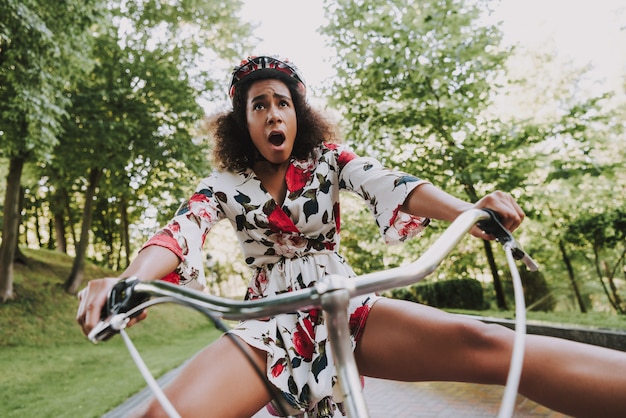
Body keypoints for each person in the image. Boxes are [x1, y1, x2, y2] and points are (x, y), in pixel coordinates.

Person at [77, 55, 626, 418]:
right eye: (259, 104)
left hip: (346, 303)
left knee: (488, 345)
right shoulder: (221, 186)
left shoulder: (330, 161)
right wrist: (128, 283)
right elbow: (178, 233)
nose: (273, 112)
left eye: (283, 102)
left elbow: (394, 185)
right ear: (243, 122)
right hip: (265, 325)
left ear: (298, 115)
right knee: (161, 414)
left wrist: (471, 211)